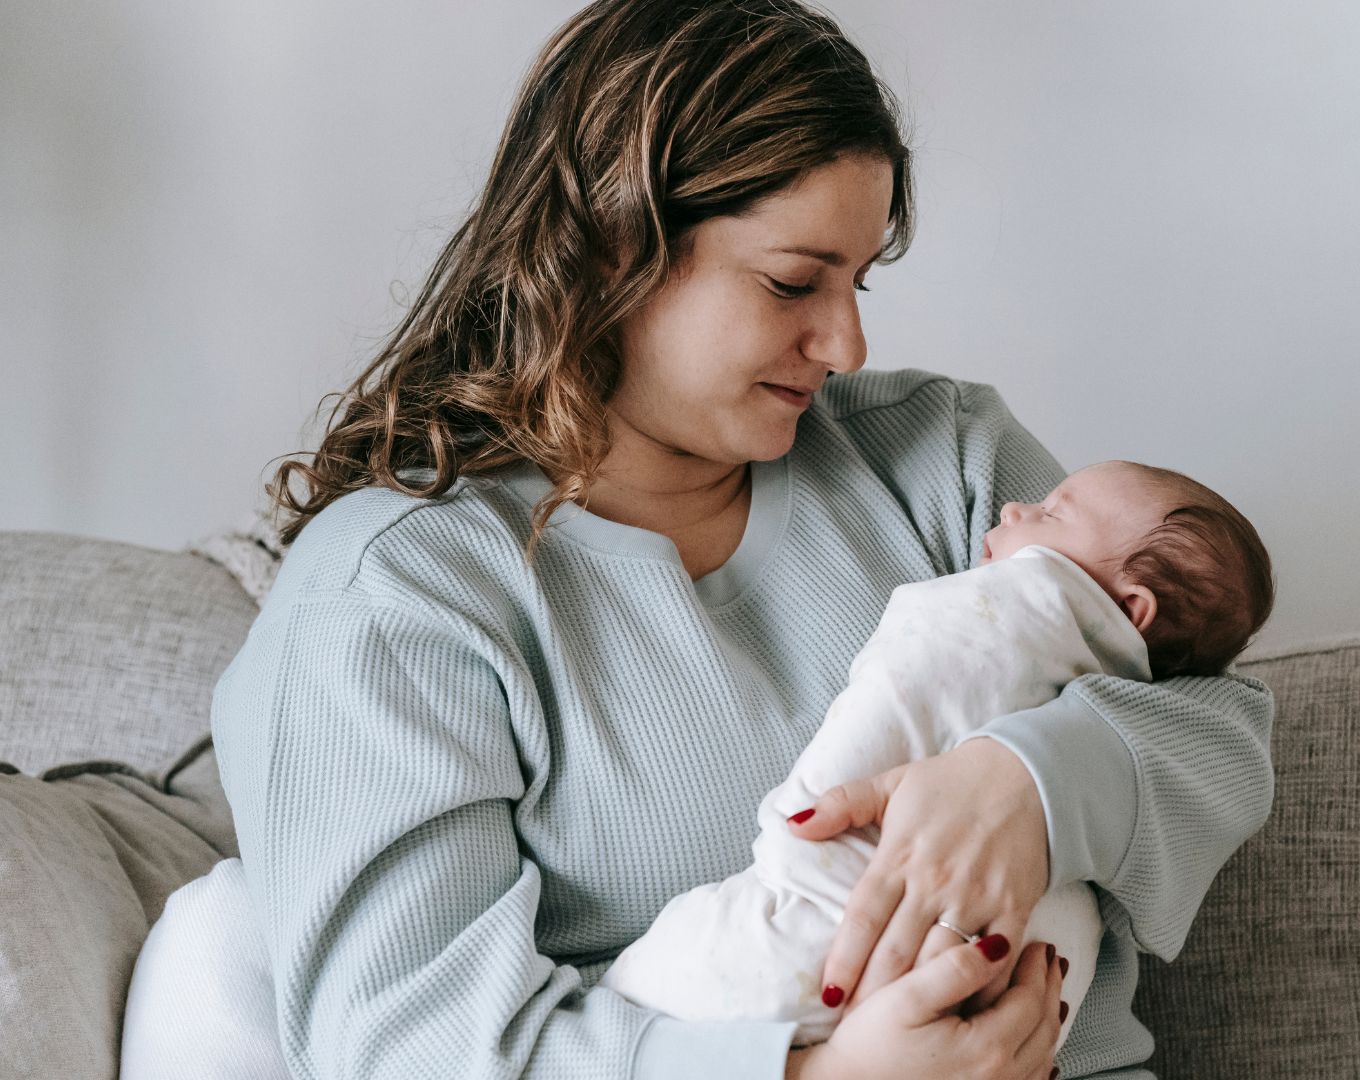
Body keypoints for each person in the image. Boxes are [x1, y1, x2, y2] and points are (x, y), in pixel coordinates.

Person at [123, 3, 1276, 1078]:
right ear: (611, 250)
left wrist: (1030, 786)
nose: (847, 343)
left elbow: (1221, 729)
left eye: (861, 280)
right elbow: (415, 1036)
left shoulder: (941, 460)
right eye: (793, 283)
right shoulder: (402, 592)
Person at [599, 462, 1275, 1047]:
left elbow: (1235, 730)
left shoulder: (997, 545)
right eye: (791, 298)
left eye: (1049, 512)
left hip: (971, 1012)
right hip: (911, 1022)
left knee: (659, 971)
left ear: (1132, 610)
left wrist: (1027, 779)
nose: (1016, 507)